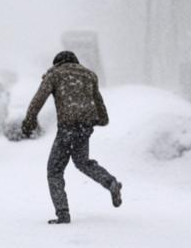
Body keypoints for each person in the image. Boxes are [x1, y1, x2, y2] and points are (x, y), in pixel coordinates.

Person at [22, 50, 122, 224]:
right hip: (85, 128)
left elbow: (38, 99)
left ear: (57, 63)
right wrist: (101, 120)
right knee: (83, 162)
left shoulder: (55, 74)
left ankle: (63, 213)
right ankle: (111, 182)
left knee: (54, 171)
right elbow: (98, 102)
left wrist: (29, 121)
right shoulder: (89, 75)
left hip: (67, 129)